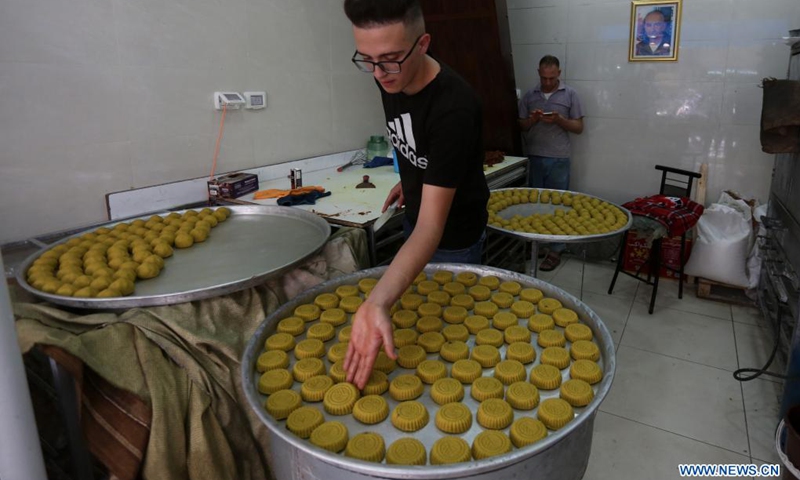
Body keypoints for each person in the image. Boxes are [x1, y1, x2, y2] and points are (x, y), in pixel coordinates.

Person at [342, 0, 489, 388]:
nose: (379, 74)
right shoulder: (391, 76)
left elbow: (430, 228)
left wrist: (375, 301)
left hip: (454, 239)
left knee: (447, 342)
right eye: (368, 60)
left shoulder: (454, 108)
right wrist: (413, 180)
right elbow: (416, 144)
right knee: (413, 324)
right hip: (417, 217)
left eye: (389, 60)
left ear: (422, 44)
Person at [518, 55, 584, 271]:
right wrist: (533, 119)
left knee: (558, 206)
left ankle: (556, 250)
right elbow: (521, 125)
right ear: (538, 73)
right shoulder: (530, 95)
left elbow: (579, 127)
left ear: (559, 74)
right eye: (544, 78)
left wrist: (559, 120)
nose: (547, 82)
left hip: (558, 158)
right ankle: (536, 246)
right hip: (534, 156)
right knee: (534, 205)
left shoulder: (570, 94)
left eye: (552, 78)